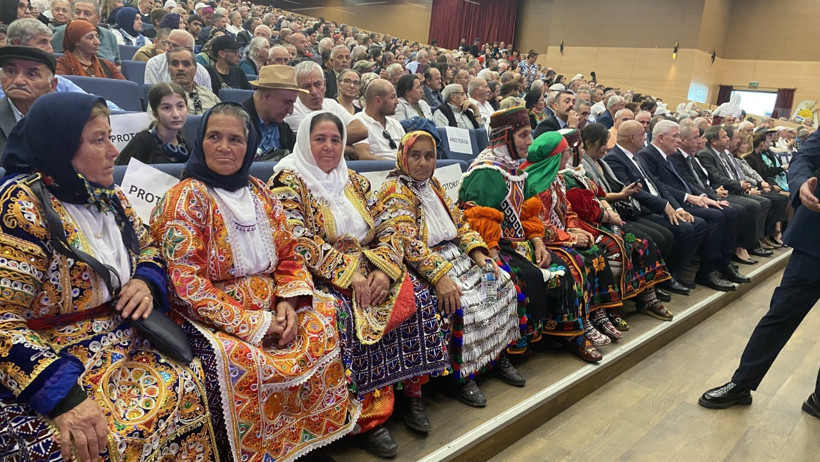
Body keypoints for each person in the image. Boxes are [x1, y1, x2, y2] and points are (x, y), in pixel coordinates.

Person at [0, 92, 218, 462]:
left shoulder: (109, 195)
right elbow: (4, 320)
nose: (113, 152)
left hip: (122, 335)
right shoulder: (22, 206)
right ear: (60, 147)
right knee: (80, 442)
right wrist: (63, 397)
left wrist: (144, 280)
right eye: (98, 140)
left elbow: (148, 245)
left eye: (109, 137)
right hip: (50, 355)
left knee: (206, 377)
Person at [150, 102, 359, 461]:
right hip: (213, 313)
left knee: (323, 320)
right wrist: (253, 323)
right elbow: (186, 285)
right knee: (243, 360)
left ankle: (303, 438)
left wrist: (288, 301)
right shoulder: (184, 198)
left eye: (235, 139)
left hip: (273, 299)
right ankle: (262, 450)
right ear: (200, 142)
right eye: (214, 137)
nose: (224, 147)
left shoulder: (261, 192)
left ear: (249, 147)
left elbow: (290, 255)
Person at [269, 111, 451, 458]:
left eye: (335, 140)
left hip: (371, 263)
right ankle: (368, 418)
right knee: (352, 315)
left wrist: (384, 269)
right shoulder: (287, 182)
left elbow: (388, 226)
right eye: (320, 139)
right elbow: (296, 238)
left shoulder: (353, 179)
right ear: (305, 141)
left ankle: (412, 393)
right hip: (322, 272)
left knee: (418, 294)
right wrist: (348, 274)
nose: (329, 147)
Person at [373, 130, 524, 408]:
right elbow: (407, 243)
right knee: (464, 301)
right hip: (425, 263)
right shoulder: (393, 191)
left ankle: (496, 356)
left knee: (499, 282)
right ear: (403, 157)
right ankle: (462, 376)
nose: (423, 162)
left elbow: (460, 225)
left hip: (458, 255)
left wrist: (481, 256)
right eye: (415, 155)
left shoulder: (434, 185)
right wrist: (440, 278)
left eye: (429, 156)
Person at [698, 130, 820, 416]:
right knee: (780, 315)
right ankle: (742, 384)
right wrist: (801, 183)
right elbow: (803, 158)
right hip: (815, 241)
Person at [458, 107, 595, 362]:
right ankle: (516, 346)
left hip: (518, 241)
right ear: (505, 138)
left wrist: (538, 242)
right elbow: (480, 222)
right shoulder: (487, 170)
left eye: (530, 134)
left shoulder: (513, 167)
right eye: (523, 135)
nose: (530, 141)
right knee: (528, 277)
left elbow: (529, 212)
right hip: (491, 246)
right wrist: (495, 259)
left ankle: (567, 333)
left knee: (567, 266)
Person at [522, 130, 629, 346]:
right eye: (566, 152)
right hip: (541, 241)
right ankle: (578, 323)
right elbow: (537, 225)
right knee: (576, 262)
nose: (569, 156)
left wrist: (575, 230)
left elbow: (568, 210)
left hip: (562, 235)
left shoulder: (558, 178)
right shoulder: (533, 183)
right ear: (555, 157)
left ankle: (597, 312)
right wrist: (569, 237)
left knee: (596, 253)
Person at [117, 82, 191, 165]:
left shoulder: (183, 142)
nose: (176, 114)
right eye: (166, 108)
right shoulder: (142, 141)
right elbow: (119, 171)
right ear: (155, 113)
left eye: (180, 106)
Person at [0, 45, 57, 152]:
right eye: (11, 72)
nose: (19, 81)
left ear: (52, 85)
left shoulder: (63, 121)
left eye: (32, 74)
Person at [241, 64, 300, 159]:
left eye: (293, 103)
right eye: (287, 102)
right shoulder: (236, 124)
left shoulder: (284, 128)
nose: (291, 111)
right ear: (266, 97)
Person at [50, 0, 121, 64]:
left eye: (87, 13)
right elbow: (52, 61)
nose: (81, 17)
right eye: (77, 12)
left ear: (98, 19)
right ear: (72, 15)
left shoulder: (110, 36)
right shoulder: (60, 33)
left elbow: (117, 64)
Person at [351, 78, 404, 160]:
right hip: (378, 168)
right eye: (392, 97)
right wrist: (397, 165)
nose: (397, 102)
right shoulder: (358, 122)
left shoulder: (396, 124)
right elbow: (364, 156)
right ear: (378, 101)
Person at [56, 20, 124, 79]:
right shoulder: (62, 65)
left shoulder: (106, 65)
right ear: (76, 41)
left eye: (96, 36)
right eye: (90, 37)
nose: (97, 42)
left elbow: (124, 87)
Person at [167, 46, 219, 115]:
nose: (180, 68)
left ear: (195, 69)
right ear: (169, 69)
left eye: (186, 64)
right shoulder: (163, 95)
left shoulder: (206, 92)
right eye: (175, 64)